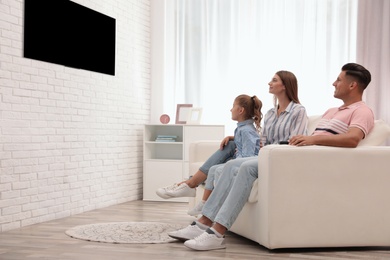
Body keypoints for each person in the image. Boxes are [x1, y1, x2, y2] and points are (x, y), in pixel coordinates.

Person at [170, 63, 374, 251]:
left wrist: (313, 140)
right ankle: (206, 225)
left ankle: (215, 233)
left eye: (339, 79)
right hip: (294, 154)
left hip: (300, 159)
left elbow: (353, 139)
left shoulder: (362, 111)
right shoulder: (332, 111)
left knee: (245, 167)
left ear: (353, 85)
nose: (334, 83)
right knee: (233, 165)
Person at [167, 69, 308, 242]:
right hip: (264, 156)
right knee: (228, 164)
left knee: (237, 165)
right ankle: (204, 223)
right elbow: (262, 141)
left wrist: (272, 150)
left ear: (285, 86)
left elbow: (297, 142)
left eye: (274, 80)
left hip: (280, 159)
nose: (269, 83)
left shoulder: (298, 111)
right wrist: (236, 137)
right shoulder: (271, 113)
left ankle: (211, 228)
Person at [157, 94, 263, 216]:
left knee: (217, 169)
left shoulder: (246, 130)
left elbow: (249, 155)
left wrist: (232, 162)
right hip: (238, 160)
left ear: (241, 110)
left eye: (233, 106)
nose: (230, 109)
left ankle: (191, 185)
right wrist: (232, 138)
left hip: (241, 164)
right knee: (213, 169)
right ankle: (202, 201)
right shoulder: (242, 129)